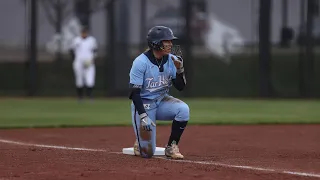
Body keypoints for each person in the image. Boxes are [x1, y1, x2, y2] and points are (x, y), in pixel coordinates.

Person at [128, 26, 189, 159]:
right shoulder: (140, 62)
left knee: (183, 109)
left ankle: (171, 146)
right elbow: (134, 93)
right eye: (166, 41)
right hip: (143, 105)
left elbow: (180, 87)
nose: (170, 44)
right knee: (147, 153)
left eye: (170, 41)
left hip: (161, 100)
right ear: (155, 43)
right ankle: (140, 143)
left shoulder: (172, 59)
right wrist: (143, 116)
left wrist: (180, 70)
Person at [69, 27, 98, 101]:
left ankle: (90, 96)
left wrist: (93, 59)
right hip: (79, 62)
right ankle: (80, 97)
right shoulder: (76, 40)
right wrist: (75, 60)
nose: (84, 33)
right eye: (82, 32)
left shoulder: (91, 40)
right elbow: (71, 51)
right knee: (79, 80)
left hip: (89, 62)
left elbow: (95, 51)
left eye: (85, 32)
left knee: (90, 79)